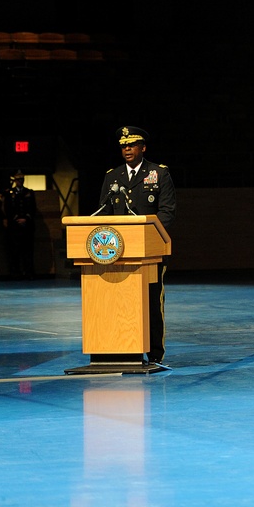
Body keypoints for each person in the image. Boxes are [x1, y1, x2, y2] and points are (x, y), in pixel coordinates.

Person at [95, 126, 177, 365]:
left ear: (143, 148)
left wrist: (147, 239)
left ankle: (154, 354)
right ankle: (121, 348)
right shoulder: (113, 176)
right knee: (120, 302)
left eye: (131, 145)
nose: (127, 149)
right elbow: (104, 213)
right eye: (123, 146)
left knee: (152, 302)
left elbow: (167, 212)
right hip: (118, 255)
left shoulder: (159, 173)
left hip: (150, 253)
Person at [3, 170, 37, 279]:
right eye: (18, 180)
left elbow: (32, 208)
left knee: (28, 250)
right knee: (14, 250)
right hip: (14, 226)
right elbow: (7, 208)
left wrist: (26, 218)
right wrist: (16, 218)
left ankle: (28, 272)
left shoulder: (29, 192)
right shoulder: (10, 193)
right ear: (15, 181)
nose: (20, 181)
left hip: (27, 226)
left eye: (21, 179)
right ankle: (15, 272)